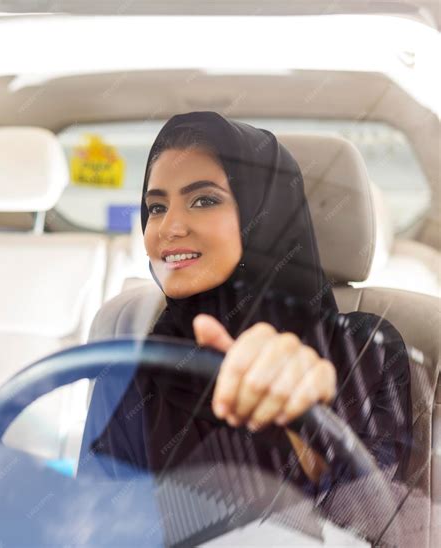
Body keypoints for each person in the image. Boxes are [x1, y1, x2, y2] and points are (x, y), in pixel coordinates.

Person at [80, 112, 413, 537]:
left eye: (204, 200)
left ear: (266, 216)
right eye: (156, 207)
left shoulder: (365, 352)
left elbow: (385, 524)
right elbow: (90, 527)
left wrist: (299, 431)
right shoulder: (132, 369)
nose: (169, 227)